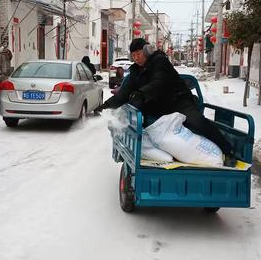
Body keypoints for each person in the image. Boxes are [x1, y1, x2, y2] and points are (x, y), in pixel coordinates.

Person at [100, 38, 236, 166]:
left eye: (139, 54)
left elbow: (159, 83)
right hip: (159, 107)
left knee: (197, 122)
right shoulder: (135, 72)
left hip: (178, 101)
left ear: (147, 50)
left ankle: (228, 151)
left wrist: (141, 93)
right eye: (133, 55)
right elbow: (123, 94)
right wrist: (105, 107)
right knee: (142, 122)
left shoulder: (160, 62)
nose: (136, 58)